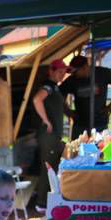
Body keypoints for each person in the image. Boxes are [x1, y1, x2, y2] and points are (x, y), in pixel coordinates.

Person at [61, 54, 111, 139]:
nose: (74, 74)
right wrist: (68, 112)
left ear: (85, 67)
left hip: (100, 122)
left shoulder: (102, 73)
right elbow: (59, 94)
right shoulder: (72, 79)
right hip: (80, 124)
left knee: (100, 150)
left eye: (76, 71)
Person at [32, 59, 70, 209]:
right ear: (51, 71)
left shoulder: (55, 87)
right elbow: (37, 99)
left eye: (63, 72)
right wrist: (46, 120)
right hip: (48, 135)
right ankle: (41, 203)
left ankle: (48, 199)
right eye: (59, 72)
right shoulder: (48, 87)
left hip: (54, 135)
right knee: (47, 168)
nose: (62, 75)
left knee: (54, 166)